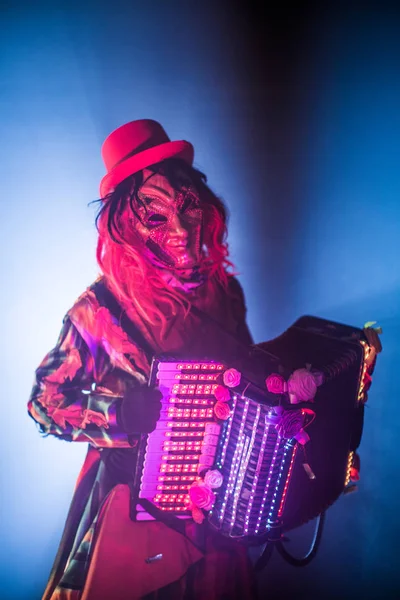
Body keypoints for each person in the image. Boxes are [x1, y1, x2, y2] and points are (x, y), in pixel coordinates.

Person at [28, 119, 258, 600]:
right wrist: (117, 415)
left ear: (204, 206)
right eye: (154, 215)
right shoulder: (100, 311)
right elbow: (45, 401)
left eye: (186, 205)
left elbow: (247, 380)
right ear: (126, 223)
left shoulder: (226, 293)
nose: (178, 227)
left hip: (214, 514)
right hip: (134, 516)